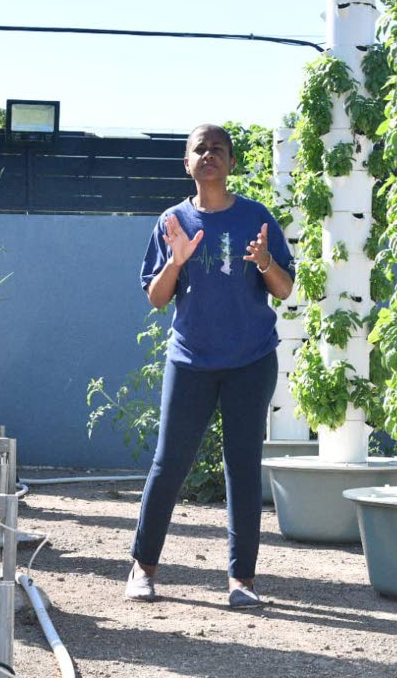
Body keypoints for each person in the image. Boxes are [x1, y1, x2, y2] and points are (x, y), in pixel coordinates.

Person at [126, 123, 295, 609]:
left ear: (232, 162)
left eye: (218, 149)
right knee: (168, 464)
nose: (209, 155)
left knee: (243, 467)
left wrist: (264, 260)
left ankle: (241, 581)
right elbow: (157, 299)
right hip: (191, 361)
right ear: (187, 163)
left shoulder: (256, 217)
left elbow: (284, 290)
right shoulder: (171, 222)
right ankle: (142, 567)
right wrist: (175, 261)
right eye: (200, 149)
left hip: (250, 361)